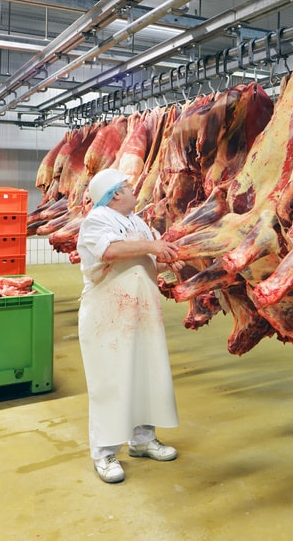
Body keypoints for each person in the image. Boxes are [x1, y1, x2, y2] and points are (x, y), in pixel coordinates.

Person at [75, 168, 184, 484]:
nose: (135, 189)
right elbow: (110, 251)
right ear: (115, 194)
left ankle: (142, 440)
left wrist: (171, 259)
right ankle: (104, 453)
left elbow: (148, 261)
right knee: (110, 381)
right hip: (107, 317)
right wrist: (153, 247)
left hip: (142, 313)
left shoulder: (137, 223)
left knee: (146, 375)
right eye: (128, 186)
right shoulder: (97, 220)